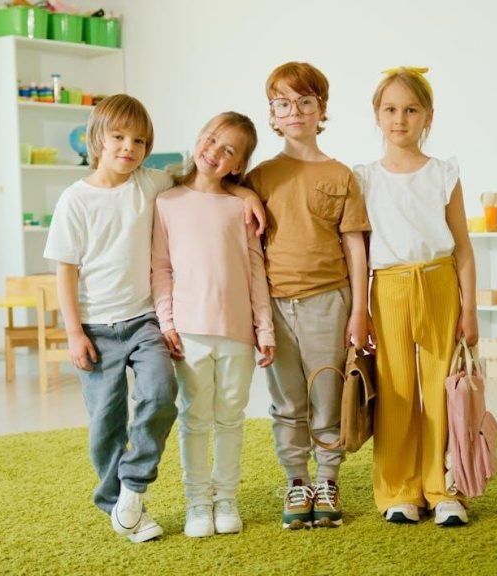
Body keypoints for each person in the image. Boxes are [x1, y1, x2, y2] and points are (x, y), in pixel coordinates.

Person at [43, 95, 265, 543]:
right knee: (106, 420)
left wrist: (244, 191)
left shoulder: (152, 184)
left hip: (144, 320)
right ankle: (118, 504)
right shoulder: (75, 200)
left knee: (162, 394)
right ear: (97, 139)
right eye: (119, 137)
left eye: (140, 140)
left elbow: (204, 182)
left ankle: (135, 483)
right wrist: (72, 332)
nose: (129, 147)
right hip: (95, 327)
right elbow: (64, 270)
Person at [246, 62, 371, 530]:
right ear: (272, 115)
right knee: (286, 401)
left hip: (329, 301)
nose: (294, 110)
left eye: (304, 101)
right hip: (276, 306)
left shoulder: (341, 175)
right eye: (283, 103)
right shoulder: (259, 177)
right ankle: (296, 480)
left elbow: (355, 246)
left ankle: (328, 479)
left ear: (321, 110)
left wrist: (360, 309)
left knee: (328, 394)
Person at [353, 67, 479, 527]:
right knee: (396, 391)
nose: (399, 119)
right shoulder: (363, 177)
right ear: (376, 115)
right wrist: (360, 311)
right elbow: (359, 251)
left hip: (440, 282)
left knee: (442, 389)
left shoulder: (444, 174)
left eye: (410, 109)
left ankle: (444, 488)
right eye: (390, 109)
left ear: (428, 116)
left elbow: (463, 246)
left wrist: (470, 308)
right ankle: (398, 490)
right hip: (387, 288)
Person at [150, 112, 275, 538]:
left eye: (229, 150)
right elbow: (161, 269)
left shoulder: (240, 204)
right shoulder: (166, 201)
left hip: (237, 332)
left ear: (239, 165)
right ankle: (198, 503)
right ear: (198, 136)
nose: (215, 152)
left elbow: (256, 270)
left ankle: (226, 498)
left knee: (231, 417)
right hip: (189, 331)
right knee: (195, 419)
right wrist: (167, 322)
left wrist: (265, 329)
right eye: (212, 139)